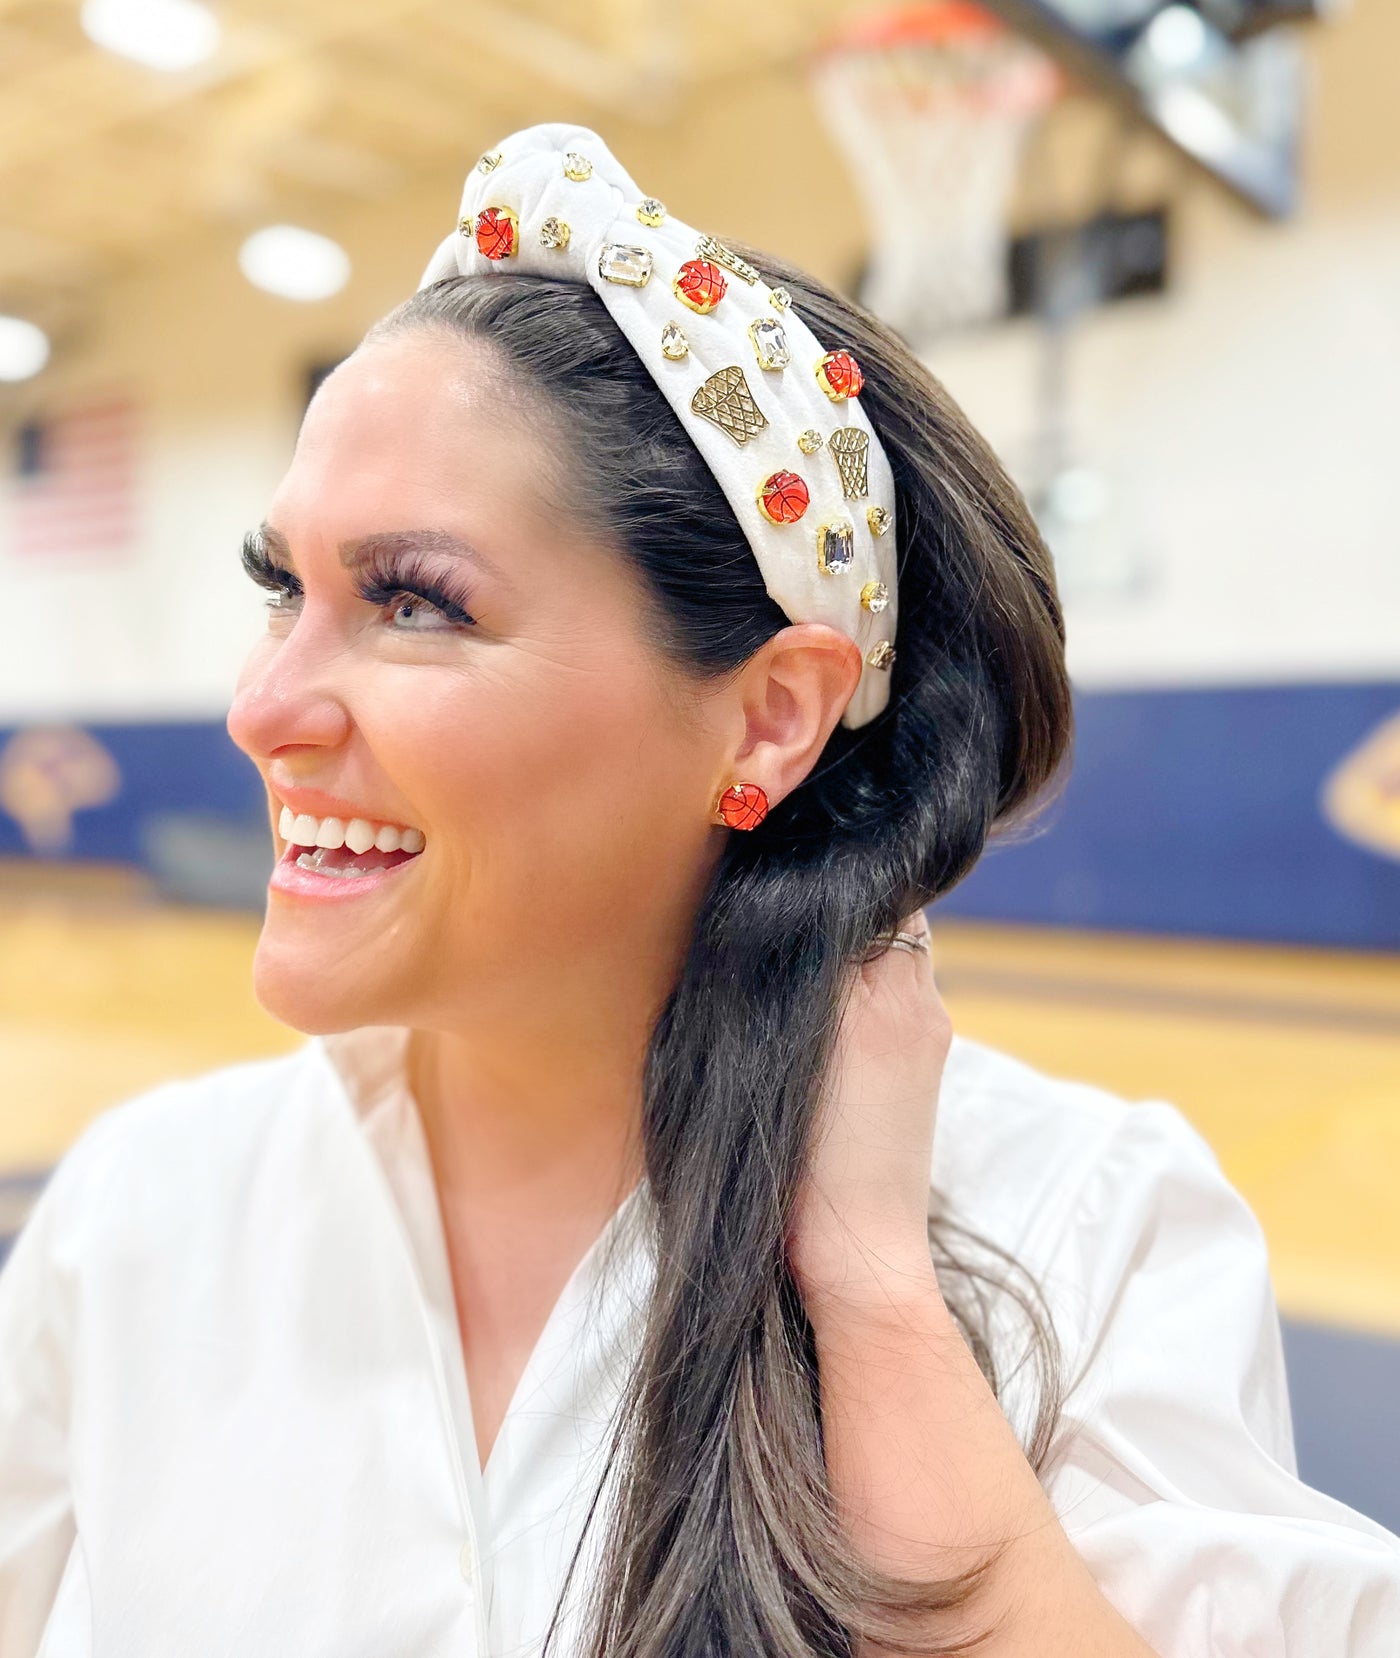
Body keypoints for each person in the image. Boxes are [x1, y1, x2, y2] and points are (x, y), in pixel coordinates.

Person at [1, 121, 1397, 1658]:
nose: (262, 706)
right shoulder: (137, 1214)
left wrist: (871, 1300)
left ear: (771, 713)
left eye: (411, 601)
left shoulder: (1076, 1227)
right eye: (285, 590)